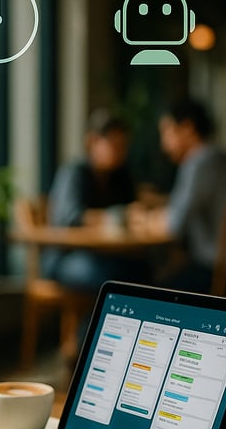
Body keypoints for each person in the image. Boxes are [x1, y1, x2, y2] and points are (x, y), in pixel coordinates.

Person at [129, 99, 226, 295]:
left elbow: (174, 225)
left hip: (223, 274)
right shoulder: (224, 158)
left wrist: (140, 218)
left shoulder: (199, 162)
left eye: (167, 132)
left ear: (187, 128)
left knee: (143, 290)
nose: (164, 145)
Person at [42, 108, 147, 292]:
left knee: (143, 272)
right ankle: (90, 321)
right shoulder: (74, 172)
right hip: (66, 257)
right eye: (114, 145)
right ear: (92, 141)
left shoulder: (121, 176)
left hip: (107, 255)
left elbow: (133, 210)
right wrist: (116, 217)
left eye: (124, 146)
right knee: (108, 278)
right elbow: (69, 218)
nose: (120, 152)